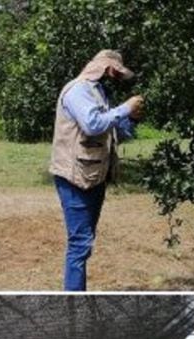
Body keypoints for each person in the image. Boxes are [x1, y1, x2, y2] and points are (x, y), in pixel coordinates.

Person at [48, 49, 145, 291]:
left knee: (85, 242)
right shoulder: (78, 90)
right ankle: (73, 300)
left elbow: (113, 131)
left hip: (94, 177)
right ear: (106, 68)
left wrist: (131, 119)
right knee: (79, 244)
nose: (115, 77)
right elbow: (92, 125)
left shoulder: (98, 92)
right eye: (115, 72)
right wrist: (124, 108)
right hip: (75, 178)